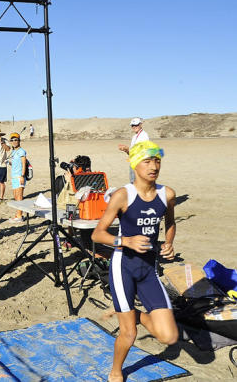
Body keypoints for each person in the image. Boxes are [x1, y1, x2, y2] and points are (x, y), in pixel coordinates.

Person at [91, 141, 177, 382]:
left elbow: (170, 223)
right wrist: (126, 241)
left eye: (157, 161)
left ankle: (132, 313)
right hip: (124, 268)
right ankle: (116, 370)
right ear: (135, 164)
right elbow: (97, 234)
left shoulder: (167, 194)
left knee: (169, 337)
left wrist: (169, 243)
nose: (153, 167)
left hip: (149, 269)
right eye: (147, 161)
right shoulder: (123, 195)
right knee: (129, 334)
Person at [118, 117, 149, 183]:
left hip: (140, 163)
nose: (134, 127)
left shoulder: (144, 136)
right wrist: (126, 150)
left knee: (139, 183)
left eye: (136, 125)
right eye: (132, 125)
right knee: (133, 182)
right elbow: (131, 153)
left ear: (140, 124)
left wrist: (127, 149)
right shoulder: (134, 137)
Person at [7, 132, 27, 222]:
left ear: (19, 141)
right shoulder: (13, 152)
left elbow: (23, 164)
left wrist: (22, 176)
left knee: (19, 197)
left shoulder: (22, 151)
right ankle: (18, 214)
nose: (14, 142)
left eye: (16, 140)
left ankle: (19, 216)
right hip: (14, 177)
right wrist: (9, 162)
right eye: (12, 140)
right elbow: (15, 164)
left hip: (19, 177)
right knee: (15, 196)